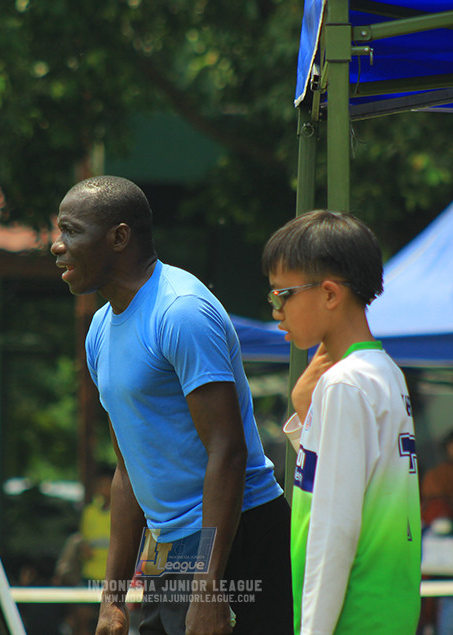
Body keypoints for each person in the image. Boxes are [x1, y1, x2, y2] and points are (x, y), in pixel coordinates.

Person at [51, 175, 291, 635]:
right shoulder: (99, 331)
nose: (57, 245)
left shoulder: (181, 311)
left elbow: (228, 451)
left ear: (119, 237)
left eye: (71, 231)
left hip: (237, 535)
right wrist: (112, 599)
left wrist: (207, 588)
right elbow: (128, 472)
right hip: (168, 546)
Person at [261, 209, 421, 635]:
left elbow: (334, 530)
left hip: (352, 616)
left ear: (330, 293)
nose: (277, 311)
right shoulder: (385, 372)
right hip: (384, 610)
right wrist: (303, 409)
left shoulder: (344, 384)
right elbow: (342, 479)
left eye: (282, 295)